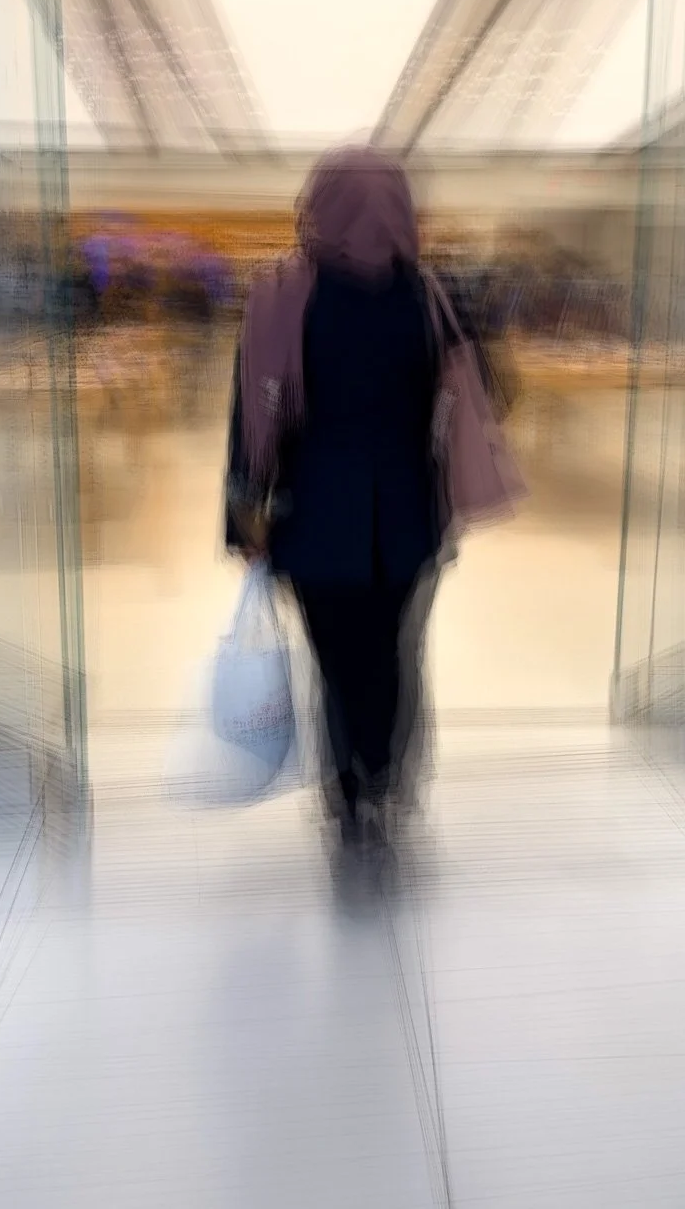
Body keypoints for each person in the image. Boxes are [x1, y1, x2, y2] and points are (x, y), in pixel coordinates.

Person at [223, 146, 493, 854]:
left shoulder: (283, 294)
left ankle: (345, 790)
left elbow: (250, 414)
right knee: (399, 653)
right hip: (410, 515)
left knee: (334, 660)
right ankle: (387, 777)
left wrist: (244, 518)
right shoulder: (432, 294)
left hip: (315, 518)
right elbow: (481, 392)